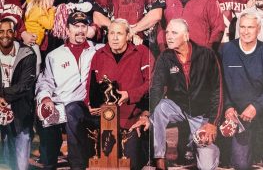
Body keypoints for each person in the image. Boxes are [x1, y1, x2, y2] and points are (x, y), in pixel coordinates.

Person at [131, 18, 223, 169]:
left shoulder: (207, 55)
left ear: (186, 36)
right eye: (167, 32)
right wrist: (147, 113)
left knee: (206, 166)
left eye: (174, 33)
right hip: (179, 107)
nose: (169, 36)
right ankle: (159, 158)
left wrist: (213, 122)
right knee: (160, 108)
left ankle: (203, 147)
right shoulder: (165, 57)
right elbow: (156, 88)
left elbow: (217, 91)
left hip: (201, 114)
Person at [35, 11, 104, 170]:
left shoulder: (98, 50)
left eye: (83, 26)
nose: (80, 30)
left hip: (82, 107)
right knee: (44, 117)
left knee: (73, 111)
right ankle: (49, 163)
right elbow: (45, 82)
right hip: (60, 105)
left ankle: (77, 166)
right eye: (75, 26)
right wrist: (45, 98)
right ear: (67, 29)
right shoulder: (54, 55)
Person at [220, 12, 263, 170]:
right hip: (238, 114)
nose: (245, 31)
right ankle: (254, 148)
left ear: (258, 29)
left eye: (250, 27)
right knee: (241, 165)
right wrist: (228, 106)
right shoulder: (227, 50)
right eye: (242, 27)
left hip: (262, 108)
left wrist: (256, 106)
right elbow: (219, 84)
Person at [88, 18, 154, 170]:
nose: (115, 37)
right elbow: (90, 85)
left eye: (119, 33)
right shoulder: (99, 54)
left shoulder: (142, 52)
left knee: (131, 164)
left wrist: (130, 94)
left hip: (132, 118)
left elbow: (153, 83)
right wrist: (90, 104)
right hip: (105, 119)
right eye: (111, 33)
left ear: (128, 36)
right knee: (103, 162)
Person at [0, 18, 37, 170]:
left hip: (19, 105)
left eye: (9, 31)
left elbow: (24, 86)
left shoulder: (27, 53)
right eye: (1, 31)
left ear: (15, 33)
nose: (5, 35)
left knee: (21, 165)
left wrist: (2, 95)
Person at [157, 0, 225, 50]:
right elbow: (161, 27)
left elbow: (218, 29)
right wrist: (163, 49)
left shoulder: (209, 1)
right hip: (172, 57)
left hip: (198, 58)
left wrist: (207, 53)